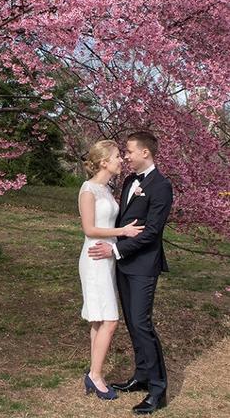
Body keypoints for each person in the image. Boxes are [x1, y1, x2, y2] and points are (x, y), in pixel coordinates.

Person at [88, 131, 173, 415]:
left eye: (130, 151)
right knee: (132, 324)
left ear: (145, 153)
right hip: (122, 265)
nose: (126, 156)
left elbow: (151, 232)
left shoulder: (161, 186)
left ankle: (158, 389)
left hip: (143, 266)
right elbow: (123, 221)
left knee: (142, 324)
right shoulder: (127, 181)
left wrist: (115, 250)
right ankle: (141, 376)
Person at [78, 140, 144, 401]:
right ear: (104, 162)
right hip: (94, 257)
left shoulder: (106, 190)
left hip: (107, 258)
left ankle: (93, 373)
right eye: (117, 156)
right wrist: (123, 231)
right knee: (110, 320)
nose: (121, 160)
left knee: (98, 317)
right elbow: (89, 229)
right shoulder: (89, 190)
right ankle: (95, 375)